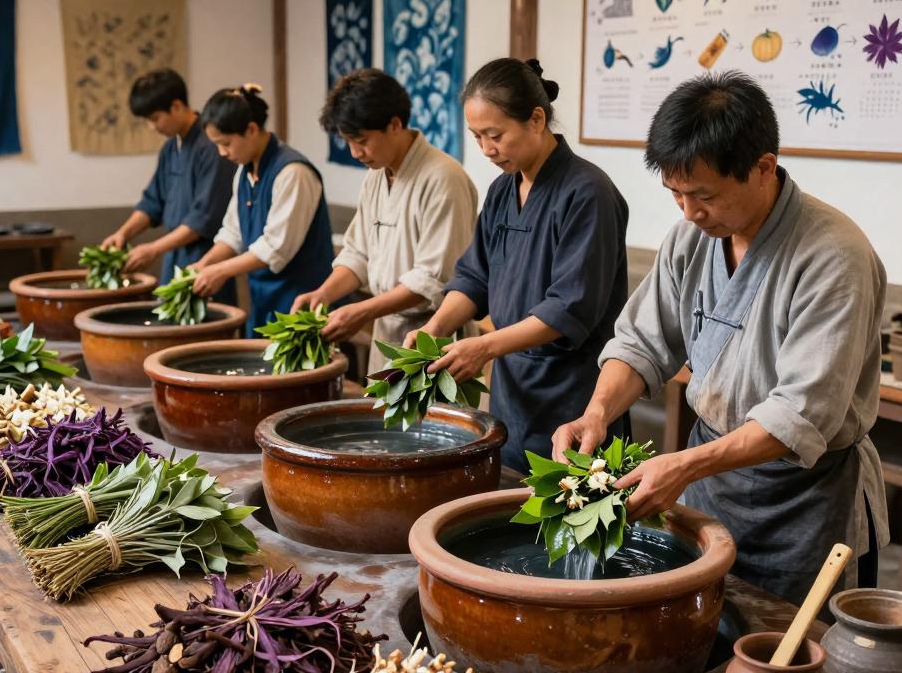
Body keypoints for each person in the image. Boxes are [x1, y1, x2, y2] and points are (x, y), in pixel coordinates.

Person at [551, 71, 887, 673]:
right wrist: (599, 412)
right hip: (709, 485)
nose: (689, 211)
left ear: (764, 167)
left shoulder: (832, 256)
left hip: (806, 503)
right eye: (676, 194)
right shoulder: (694, 237)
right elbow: (643, 339)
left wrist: (685, 464)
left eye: (702, 194)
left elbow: (799, 415)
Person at [404, 58, 629, 473]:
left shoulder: (588, 194)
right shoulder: (502, 191)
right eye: (478, 137)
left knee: (571, 513)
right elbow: (474, 277)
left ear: (537, 119)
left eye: (496, 135)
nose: (488, 149)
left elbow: (568, 309)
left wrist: (484, 346)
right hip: (512, 392)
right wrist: (435, 328)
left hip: (571, 396)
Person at [291, 69, 478, 372]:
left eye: (362, 140)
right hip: (387, 330)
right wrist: (323, 294)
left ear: (395, 124)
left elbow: (431, 280)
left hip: (433, 336)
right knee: (380, 417)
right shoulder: (376, 175)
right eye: (348, 141)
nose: (355, 152)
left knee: (429, 419)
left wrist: (362, 311)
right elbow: (358, 254)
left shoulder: (444, 178)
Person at [187, 85, 334, 336]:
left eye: (226, 143)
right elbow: (233, 233)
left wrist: (220, 271)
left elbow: (276, 247)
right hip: (264, 299)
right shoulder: (244, 172)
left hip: (300, 300)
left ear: (251, 130)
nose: (222, 153)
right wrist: (204, 265)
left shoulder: (293, 172)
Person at [100, 68, 237, 305]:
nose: (152, 127)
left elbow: (202, 219)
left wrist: (153, 249)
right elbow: (152, 202)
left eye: (155, 119)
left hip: (205, 260)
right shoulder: (170, 149)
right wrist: (123, 233)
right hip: (173, 256)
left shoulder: (213, 147)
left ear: (176, 106)